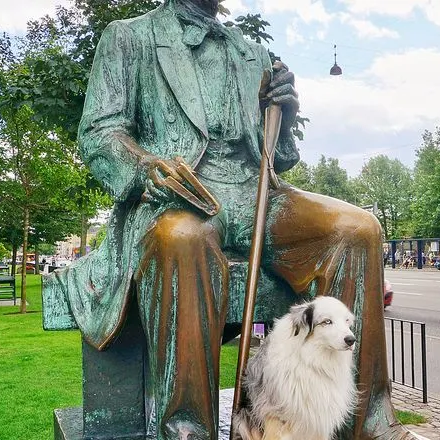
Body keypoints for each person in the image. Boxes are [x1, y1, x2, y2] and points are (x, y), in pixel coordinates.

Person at [44, 1, 414, 438]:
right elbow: (99, 132)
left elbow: (276, 156)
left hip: (257, 191)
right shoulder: (129, 37)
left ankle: (367, 423)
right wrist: (145, 168)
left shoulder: (252, 52)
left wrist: (284, 115)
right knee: (181, 237)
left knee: (359, 229)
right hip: (181, 194)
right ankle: (187, 428)